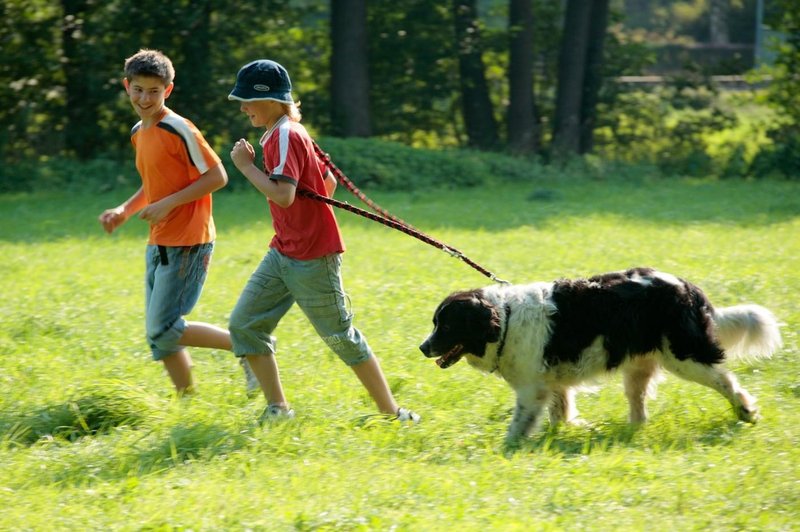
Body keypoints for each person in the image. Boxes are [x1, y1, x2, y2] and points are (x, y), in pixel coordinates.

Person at [227, 59, 419, 423]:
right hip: (283, 250)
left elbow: (283, 195)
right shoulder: (287, 132)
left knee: (340, 337)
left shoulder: (284, 136)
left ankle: (393, 414)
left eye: (248, 99)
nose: (242, 107)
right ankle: (278, 410)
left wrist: (246, 167)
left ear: (271, 101)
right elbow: (326, 182)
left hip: (312, 258)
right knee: (245, 324)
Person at [99, 49, 257, 395]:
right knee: (161, 337)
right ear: (127, 86)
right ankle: (187, 401)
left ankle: (248, 346)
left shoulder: (179, 128)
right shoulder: (139, 131)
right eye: (138, 89)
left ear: (167, 91)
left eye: (154, 91)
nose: (144, 98)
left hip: (189, 240)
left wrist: (168, 204)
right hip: (159, 241)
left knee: (163, 328)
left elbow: (217, 176)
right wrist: (124, 211)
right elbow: (153, 183)